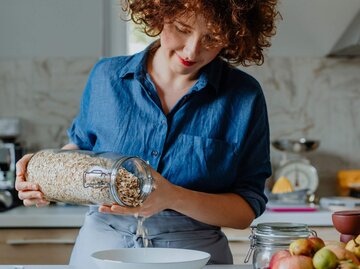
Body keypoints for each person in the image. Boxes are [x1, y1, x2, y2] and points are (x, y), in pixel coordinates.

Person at [15, 0, 279, 266]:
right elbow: (81, 149)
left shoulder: (244, 96)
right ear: (160, 14)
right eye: (182, 28)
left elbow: (246, 209)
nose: (192, 49)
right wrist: (42, 175)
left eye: (212, 38)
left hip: (194, 255)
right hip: (103, 247)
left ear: (233, 37)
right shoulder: (107, 77)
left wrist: (173, 196)